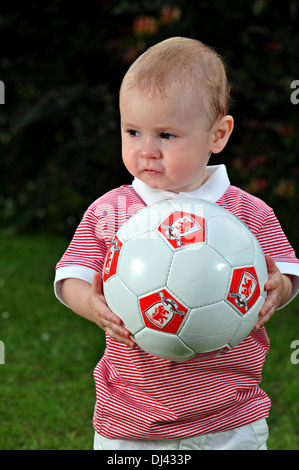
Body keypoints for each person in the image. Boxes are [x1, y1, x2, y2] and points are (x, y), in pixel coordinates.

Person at [54, 37, 299, 450]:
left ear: (218, 134)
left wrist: (280, 289)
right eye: (133, 132)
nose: (146, 150)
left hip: (230, 416)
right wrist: (90, 304)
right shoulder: (112, 210)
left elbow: (286, 269)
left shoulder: (246, 211)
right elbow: (71, 275)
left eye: (166, 134)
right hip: (133, 418)